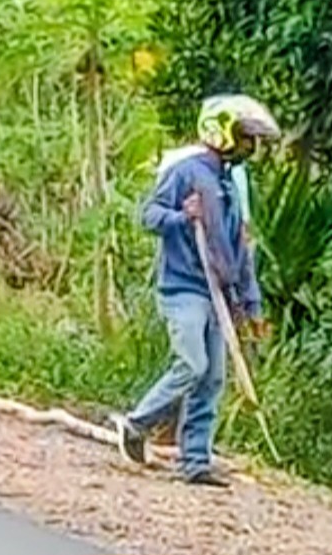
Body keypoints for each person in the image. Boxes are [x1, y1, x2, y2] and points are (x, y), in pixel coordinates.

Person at [112, 94, 279, 487]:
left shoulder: (229, 185)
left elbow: (240, 251)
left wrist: (250, 305)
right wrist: (182, 216)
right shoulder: (185, 172)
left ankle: (196, 462)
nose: (250, 146)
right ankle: (137, 423)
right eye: (245, 137)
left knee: (212, 379)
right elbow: (149, 215)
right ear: (222, 132)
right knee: (193, 364)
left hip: (218, 296)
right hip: (183, 288)